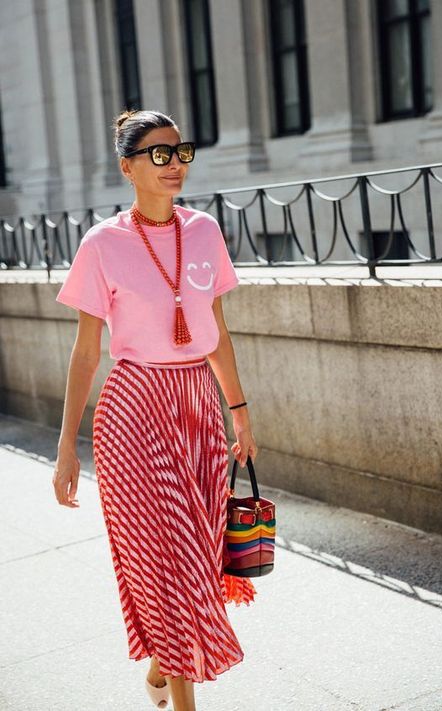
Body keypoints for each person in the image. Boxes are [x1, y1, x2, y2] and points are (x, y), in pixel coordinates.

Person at [52, 108, 258, 711]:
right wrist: (67, 446)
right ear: (128, 168)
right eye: (159, 155)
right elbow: (87, 350)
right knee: (167, 557)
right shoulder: (103, 243)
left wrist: (238, 409)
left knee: (196, 552)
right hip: (134, 408)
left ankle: (162, 670)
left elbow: (215, 330)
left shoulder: (205, 232)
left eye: (181, 151)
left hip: (197, 403)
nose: (174, 165)